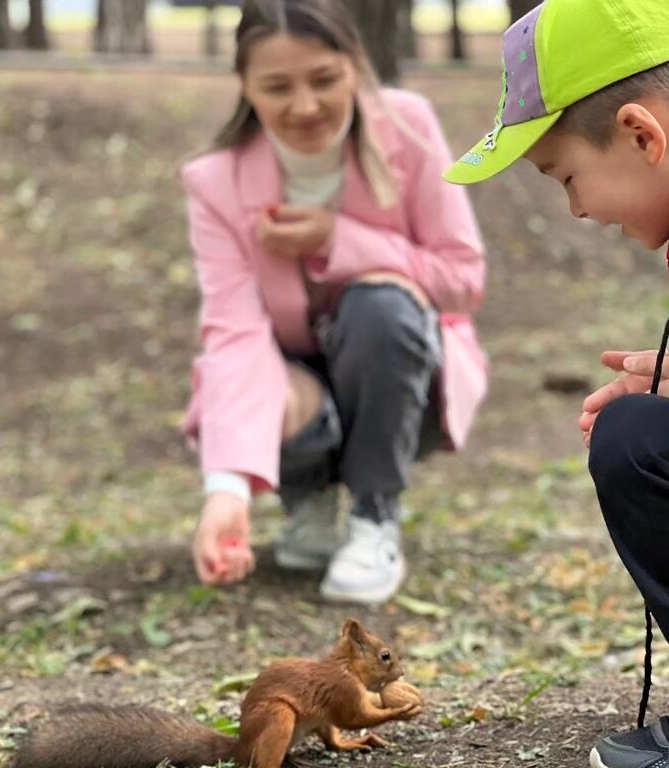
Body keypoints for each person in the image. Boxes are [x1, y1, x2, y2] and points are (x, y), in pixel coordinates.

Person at [445, 0, 669, 766]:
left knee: (636, 442)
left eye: (568, 176)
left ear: (643, 135)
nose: (575, 209)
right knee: (648, 432)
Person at [181, 0, 487, 606]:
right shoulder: (216, 181)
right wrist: (227, 490)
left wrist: (335, 238)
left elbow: (463, 280)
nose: (304, 106)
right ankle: (308, 498)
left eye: (323, 79)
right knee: (258, 367)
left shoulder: (407, 127)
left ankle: (375, 516)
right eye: (276, 86)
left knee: (382, 307)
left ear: (356, 66)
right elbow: (235, 334)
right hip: (292, 387)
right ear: (244, 85)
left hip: (401, 376)